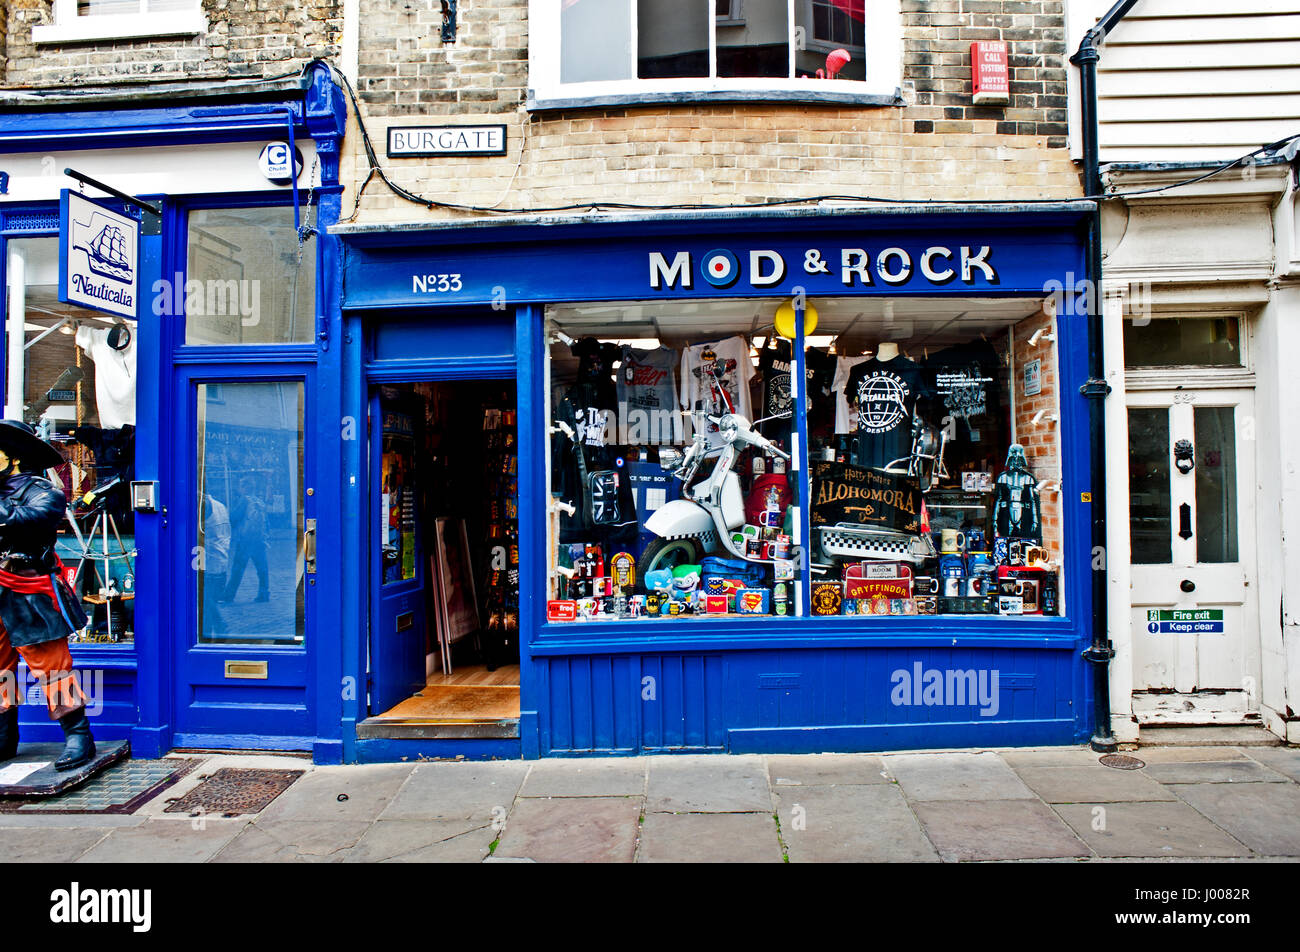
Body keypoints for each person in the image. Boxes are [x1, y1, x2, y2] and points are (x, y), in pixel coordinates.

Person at [0, 420, 94, 771]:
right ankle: (4, 737)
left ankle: (78, 734)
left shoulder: (44, 491)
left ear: (13, 458)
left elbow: (29, 520)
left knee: (51, 666)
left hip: (27, 591)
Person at [222, 475, 269, 603]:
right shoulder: (260, 502)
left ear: (245, 487)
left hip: (245, 540)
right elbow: (267, 523)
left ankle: (228, 596)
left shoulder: (244, 501)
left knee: (237, 568)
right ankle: (264, 594)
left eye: (241, 485)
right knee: (262, 569)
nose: (240, 488)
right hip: (259, 540)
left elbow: (234, 518)